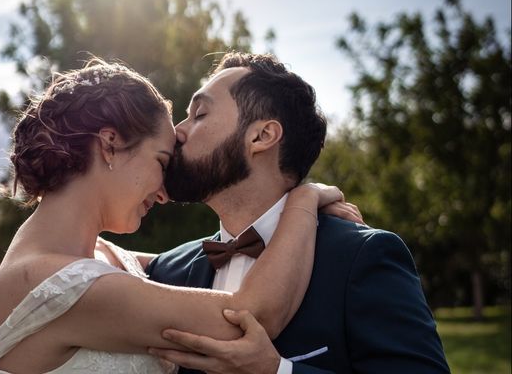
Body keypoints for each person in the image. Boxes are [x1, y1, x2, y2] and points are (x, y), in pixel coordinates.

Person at [0, 58, 361, 374]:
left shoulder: (97, 256)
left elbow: (200, 257)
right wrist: (304, 199)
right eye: (162, 161)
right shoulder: (51, 281)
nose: (164, 192)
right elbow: (248, 314)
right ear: (110, 146)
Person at [146, 52, 450, 373]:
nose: (178, 131)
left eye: (200, 114)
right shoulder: (169, 271)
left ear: (262, 136)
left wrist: (278, 370)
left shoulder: (363, 257)